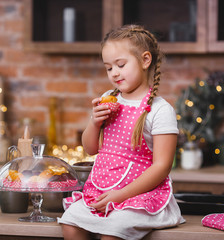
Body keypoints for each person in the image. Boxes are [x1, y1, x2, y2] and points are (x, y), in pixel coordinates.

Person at [58, 24, 184, 240]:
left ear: (145, 60)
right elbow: (90, 149)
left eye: (121, 65)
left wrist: (120, 196)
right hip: (103, 191)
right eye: (108, 68)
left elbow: (162, 167)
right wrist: (94, 123)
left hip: (139, 198)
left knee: (111, 234)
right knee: (70, 224)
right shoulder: (109, 98)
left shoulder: (160, 110)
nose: (114, 73)